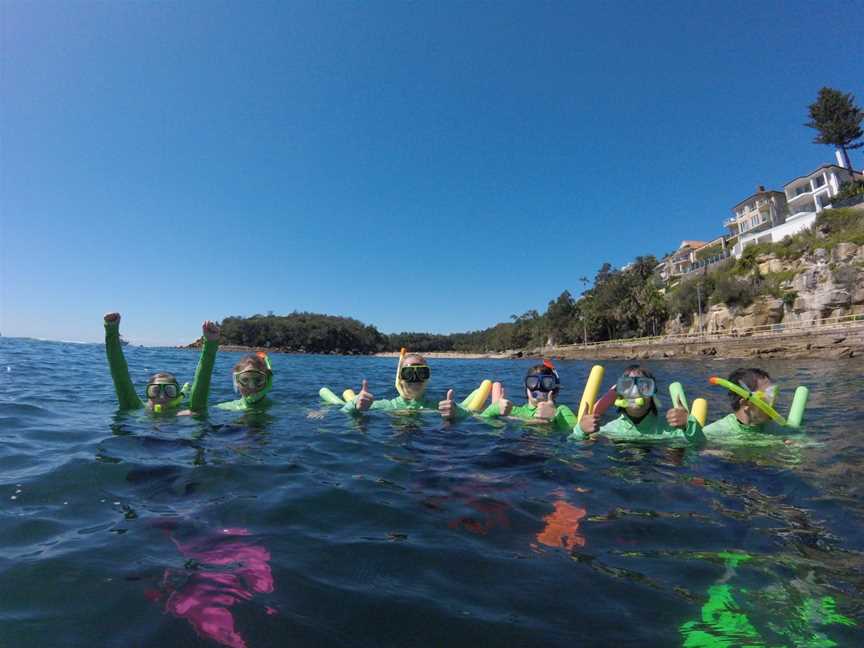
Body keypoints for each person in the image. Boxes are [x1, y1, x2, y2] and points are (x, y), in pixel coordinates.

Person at [104, 312, 219, 414]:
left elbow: (202, 382)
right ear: (147, 394)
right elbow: (120, 376)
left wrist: (210, 344)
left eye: (170, 390)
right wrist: (111, 331)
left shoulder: (189, 412)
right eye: (155, 391)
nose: (162, 397)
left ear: (177, 395)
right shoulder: (134, 406)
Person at [576, 365, 703, 445]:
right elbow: (575, 445)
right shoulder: (609, 430)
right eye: (627, 385)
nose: (635, 392)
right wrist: (581, 431)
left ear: (653, 394)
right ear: (619, 395)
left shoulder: (670, 430)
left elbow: (699, 444)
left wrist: (688, 424)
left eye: (644, 386)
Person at [343, 353, 468, 420]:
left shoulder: (440, 406)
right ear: (400, 379)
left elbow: (469, 414)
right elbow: (342, 412)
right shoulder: (387, 405)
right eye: (408, 373)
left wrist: (456, 412)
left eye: (421, 373)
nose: (414, 379)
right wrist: (355, 405)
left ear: (428, 378)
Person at [481, 360, 578, 432]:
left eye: (547, 383)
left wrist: (554, 419)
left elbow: (575, 436)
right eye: (533, 382)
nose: (538, 387)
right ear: (526, 387)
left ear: (555, 389)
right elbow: (481, 420)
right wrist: (494, 409)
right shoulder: (514, 411)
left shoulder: (561, 411)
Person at [702, 368, 784, 442]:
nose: (773, 404)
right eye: (767, 398)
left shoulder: (778, 429)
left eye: (774, 395)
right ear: (745, 403)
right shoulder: (713, 434)